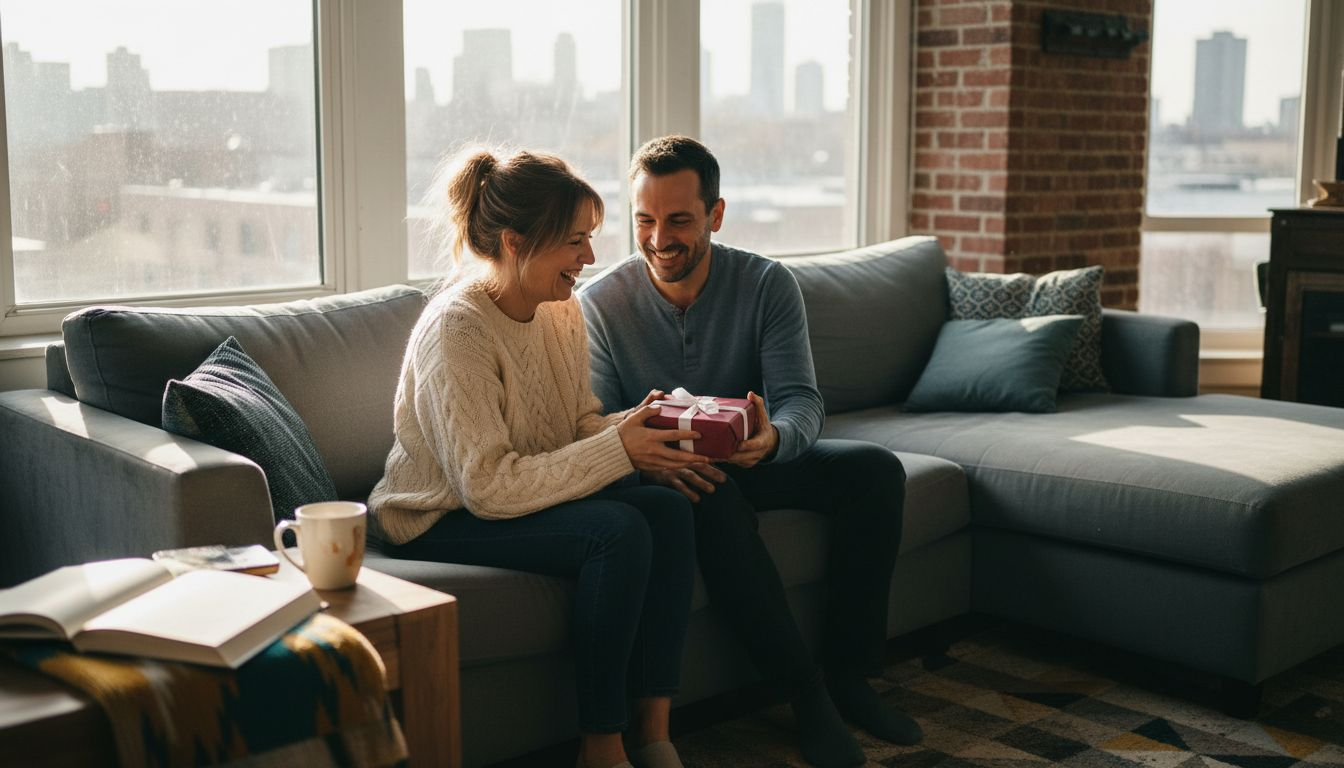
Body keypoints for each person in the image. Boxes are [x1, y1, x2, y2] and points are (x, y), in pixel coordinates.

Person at [578, 136, 920, 768]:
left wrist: (775, 439)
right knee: (709, 496)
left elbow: (801, 401)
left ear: (716, 214)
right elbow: (593, 426)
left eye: (679, 220)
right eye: (645, 220)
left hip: (752, 458)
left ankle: (851, 676)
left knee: (874, 471)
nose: (659, 239)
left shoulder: (766, 284)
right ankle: (807, 695)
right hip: (668, 475)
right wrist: (651, 457)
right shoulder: (599, 304)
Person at [368, 147, 709, 768]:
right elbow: (486, 486)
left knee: (668, 509)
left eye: (589, 239)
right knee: (618, 530)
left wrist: (639, 427)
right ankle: (600, 746)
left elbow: (575, 425)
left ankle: (653, 730)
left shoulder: (561, 308)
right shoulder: (458, 328)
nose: (589, 258)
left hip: (512, 491)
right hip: (440, 515)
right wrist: (617, 449)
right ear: (515, 242)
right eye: (575, 241)